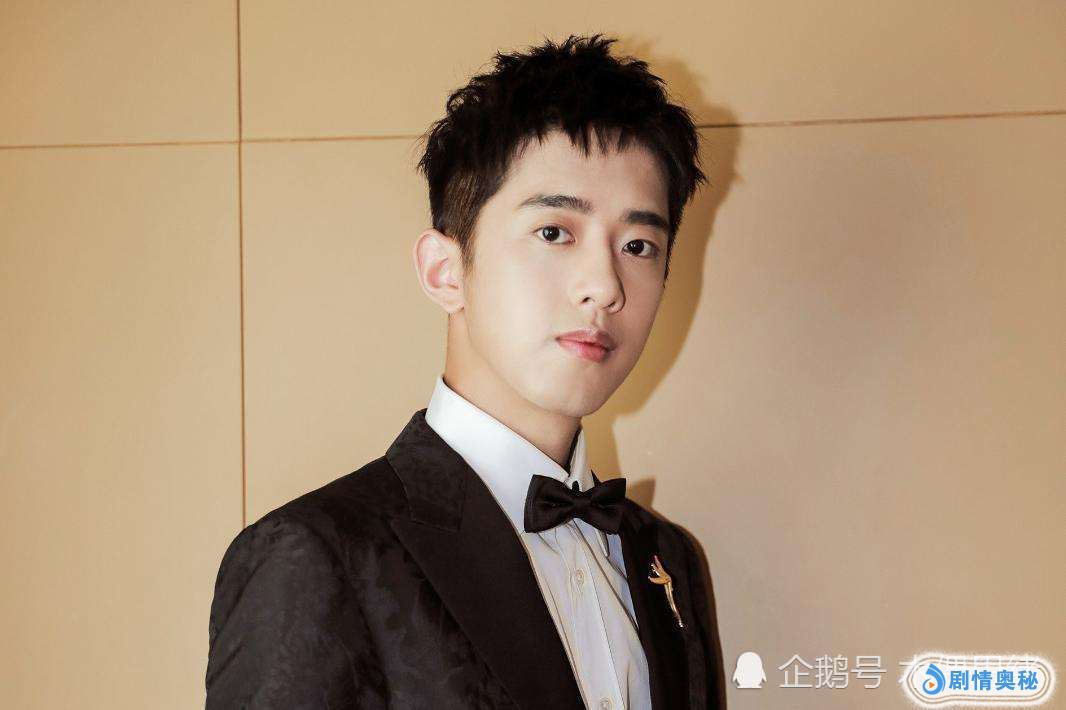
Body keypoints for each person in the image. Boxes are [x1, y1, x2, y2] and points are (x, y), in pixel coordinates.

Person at [205, 34, 725, 709]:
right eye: (554, 232)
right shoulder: (316, 554)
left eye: (638, 245)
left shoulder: (668, 559)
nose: (605, 287)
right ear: (445, 271)